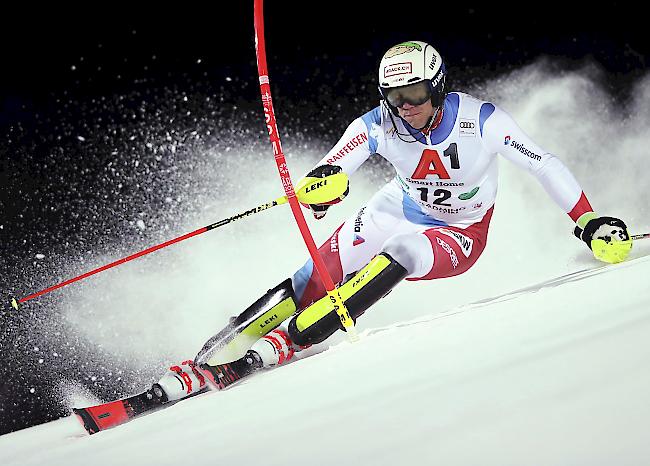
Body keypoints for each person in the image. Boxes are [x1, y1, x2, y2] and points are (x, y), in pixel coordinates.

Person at [152, 40, 633, 400]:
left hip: (459, 232)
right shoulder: (377, 124)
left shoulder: (482, 120)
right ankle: (217, 352)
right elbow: (335, 165)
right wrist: (323, 187)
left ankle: (286, 342)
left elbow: (542, 162)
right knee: (313, 273)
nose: (406, 107)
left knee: (402, 252)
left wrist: (587, 220)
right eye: (395, 97)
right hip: (398, 206)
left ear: (437, 86)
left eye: (417, 93)